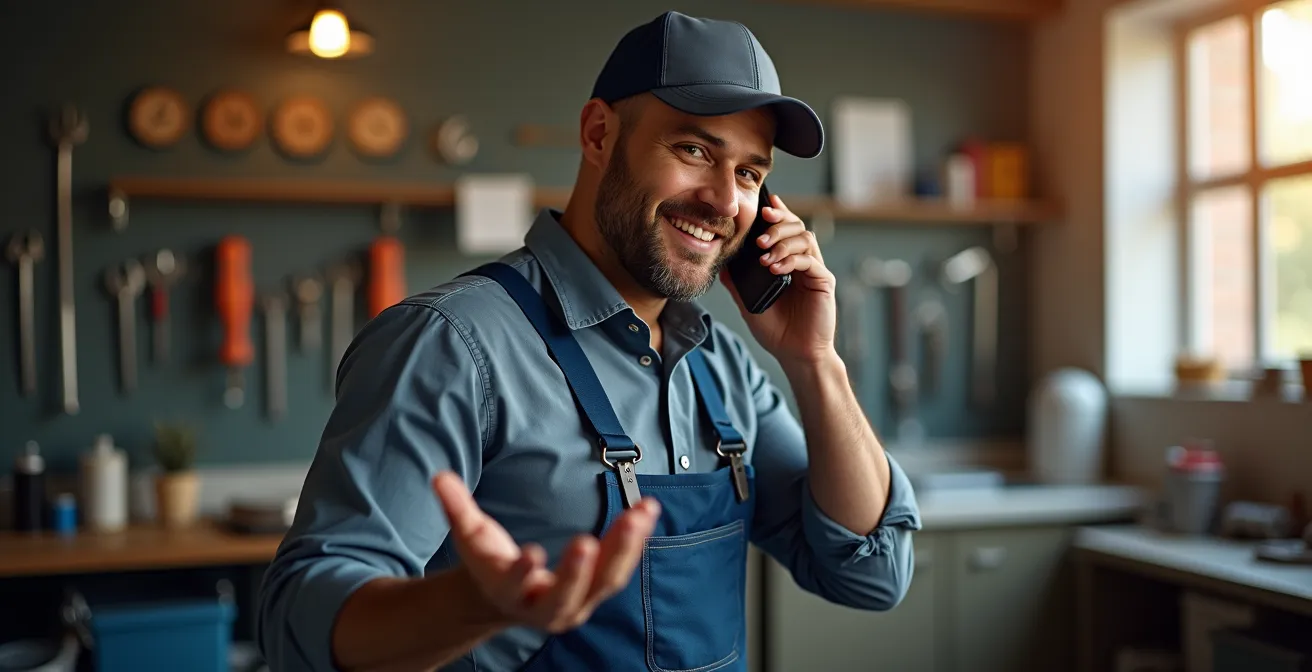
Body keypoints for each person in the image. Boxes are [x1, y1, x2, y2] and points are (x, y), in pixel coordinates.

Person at [257, 10, 922, 672]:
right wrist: (478, 606)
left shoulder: (720, 364)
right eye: (694, 150)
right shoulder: (452, 344)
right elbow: (299, 622)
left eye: (749, 173)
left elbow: (872, 575)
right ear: (599, 134)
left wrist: (814, 362)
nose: (725, 201)